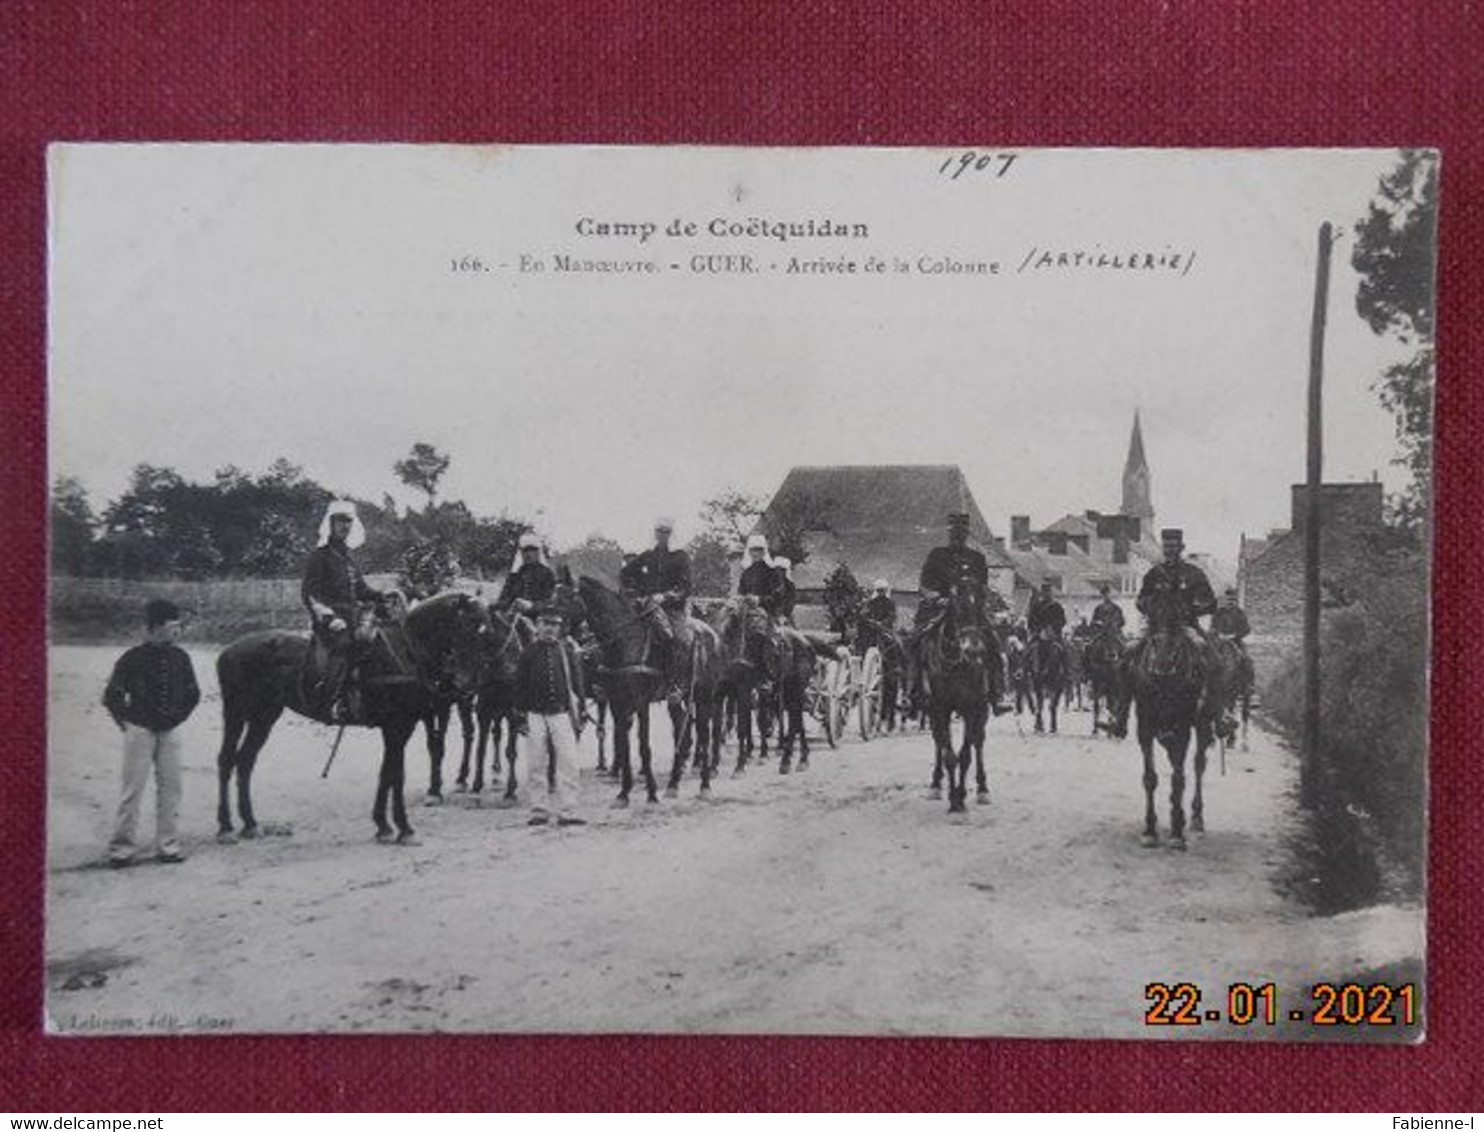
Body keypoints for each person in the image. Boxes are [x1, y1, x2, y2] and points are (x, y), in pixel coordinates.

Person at [102, 599, 201, 867]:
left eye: (179, 626)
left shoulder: (182, 658)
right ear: (155, 627)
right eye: (173, 625)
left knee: (171, 790)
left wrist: (176, 718)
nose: (178, 630)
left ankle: (168, 846)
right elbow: (111, 696)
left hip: (170, 732)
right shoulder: (132, 658)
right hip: (140, 731)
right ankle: (121, 850)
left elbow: (194, 694)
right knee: (132, 790)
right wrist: (128, 724)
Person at [1109, 528, 1225, 739]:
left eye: (1174, 546)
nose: (1170, 550)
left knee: (1214, 659)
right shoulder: (1155, 574)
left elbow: (1211, 602)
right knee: (1127, 656)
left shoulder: (1193, 574)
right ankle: (1121, 716)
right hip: (1156, 628)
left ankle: (1219, 715)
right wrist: (1151, 607)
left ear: (1181, 548)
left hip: (1185, 627)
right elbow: (1140, 600)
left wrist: (1194, 608)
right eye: (1167, 547)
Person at [915, 512, 1009, 712]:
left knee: (993, 644)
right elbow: (924, 586)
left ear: (967, 533)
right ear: (949, 532)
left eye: (962, 531)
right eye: (954, 531)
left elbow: (982, 588)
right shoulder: (936, 555)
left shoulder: (977, 558)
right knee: (916, 642)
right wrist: (937, 598)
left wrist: (978, 601)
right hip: (939, 609)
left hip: (970, 613)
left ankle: (997, 693)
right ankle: (912, 693)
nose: (958, 536)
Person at [301, 500, 385, 723]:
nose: (344, 526)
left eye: (348, 522)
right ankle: (329, 700)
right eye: (340, 521)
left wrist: (382, 595)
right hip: (329, 621)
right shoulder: (320, 556)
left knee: (375, 642)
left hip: (353, 618)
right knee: (344, 644)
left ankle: (362, 698)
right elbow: (311, 594)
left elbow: (361, 590)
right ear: (330, 524)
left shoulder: (348, 558)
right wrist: (329, 618)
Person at [513, 606, 588, 827]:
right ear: (537, 626)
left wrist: (581, 708)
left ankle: (568, 810)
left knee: (569, 763)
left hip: (562, 715)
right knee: (536, 765)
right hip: (535, 715)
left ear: (560, 628)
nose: (550, 629)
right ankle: (539, 811)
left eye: (554, 624)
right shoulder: (527, 654)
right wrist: (520, 717)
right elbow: (519, 687)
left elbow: (577, 682)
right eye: (545, 624)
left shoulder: (567, 652)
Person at [620, 518, 694, 692]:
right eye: (659, 532)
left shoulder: (680, 556)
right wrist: (636, 593)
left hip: (672, 609)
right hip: (647, 607)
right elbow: (625, 573)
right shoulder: (648, 556)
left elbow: (687, 586)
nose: (662, 535)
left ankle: (675, 683)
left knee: (678, 639)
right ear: (655, 534)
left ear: (671, 535)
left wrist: (669, 596)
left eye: (666, 532)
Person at [496, 532, 556, 615]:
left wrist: (532, 606)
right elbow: (504, 598)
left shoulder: (547, 574)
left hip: (539, 618)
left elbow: (550, 601)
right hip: (514, 616)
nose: (529, 554)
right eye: (525, 550)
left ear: (538, 552)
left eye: (532, 550)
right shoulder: (515, 575)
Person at [737, 533, 784, 616]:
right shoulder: (746, 573)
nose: (755, 554)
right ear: (749, 552)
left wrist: (759, 600)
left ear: (764, 552)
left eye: (759, 550)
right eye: (753, 550)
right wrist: (742, 598)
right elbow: (741, 592)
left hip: (766, 613)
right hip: (746, 613)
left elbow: (778, 598)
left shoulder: (772, 572)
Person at [771, 556, 798, 625]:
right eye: (776, 569)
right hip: (771, 614)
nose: (778, 572)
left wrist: (785, 615)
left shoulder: (790, 586)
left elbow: (791, 601)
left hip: (784, 615)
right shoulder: (771, 583)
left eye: (781, 570)